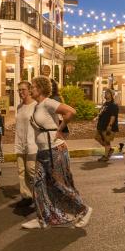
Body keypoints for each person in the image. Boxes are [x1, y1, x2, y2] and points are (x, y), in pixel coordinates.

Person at [22, 76, 92, 229]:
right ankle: (44, 218)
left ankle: (84, 210)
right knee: (38, 185)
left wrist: (60, 129)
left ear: (40, 89)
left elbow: (71, 112)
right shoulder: (37, 106)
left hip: (55, 150)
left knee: (60, 185)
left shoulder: (48, 103)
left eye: (33, 86)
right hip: (43, 151)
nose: (31, 89)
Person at [14, 81, 37, 208]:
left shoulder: (36, 105)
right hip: (20, 142)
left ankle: (39, 195)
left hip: (32, 142)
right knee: (21, 171)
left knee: (31, 170)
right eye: (19, 90)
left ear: (29, 90)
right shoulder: (19, 106)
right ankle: (26, 196)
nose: (21, 92)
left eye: (23, 90)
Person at [95, 88, 119, 162]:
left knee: (106, 141)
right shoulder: (105, 104)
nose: (106, 94)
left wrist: (110, 125)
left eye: (108, 93)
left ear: (112, 95)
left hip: (107, 126)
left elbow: (113, 116)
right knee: (97, 137)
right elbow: (101, 113)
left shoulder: (113, 105)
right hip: (101, 125)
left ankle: (106, 156)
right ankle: (109, 149)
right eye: (105, 93)